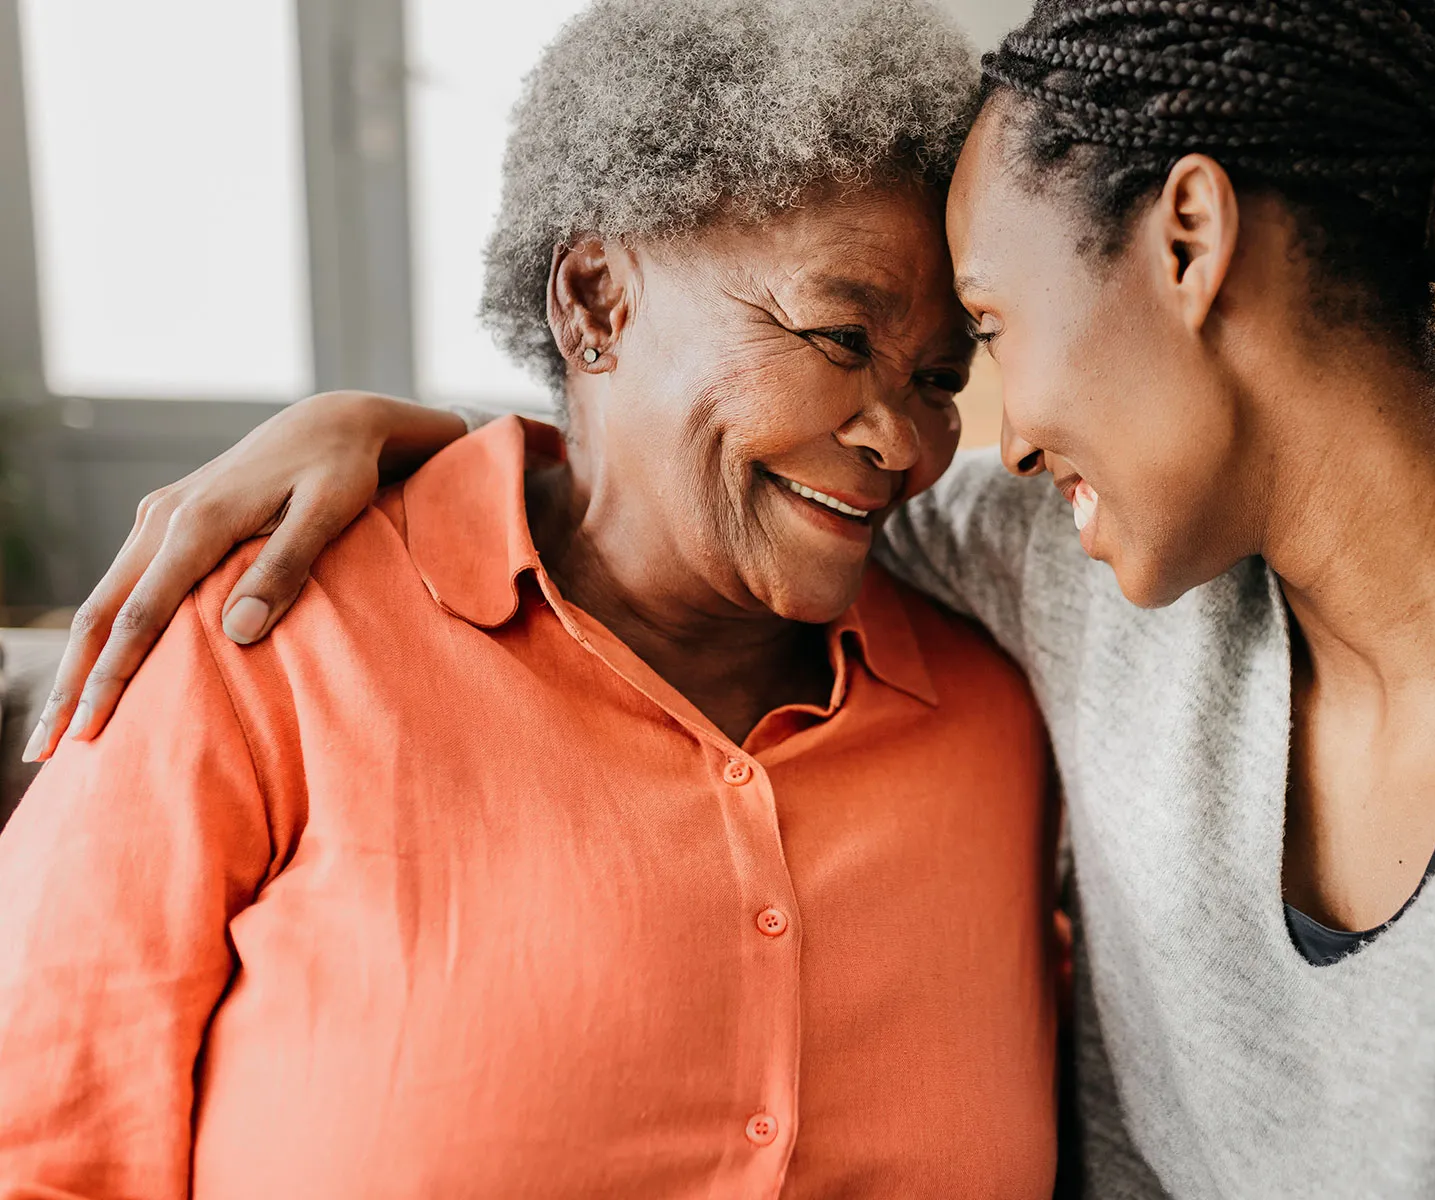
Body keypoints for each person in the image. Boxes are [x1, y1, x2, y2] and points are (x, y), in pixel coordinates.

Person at [26, 0, 1435, 1195]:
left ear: (1186, 244)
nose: (957, 439)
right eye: (846, 338)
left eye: (974, 350)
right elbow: (670, 496)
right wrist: (392, 433)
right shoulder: (1088, 589)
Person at [0, 2, 1064, 1197]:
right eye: (836, 334)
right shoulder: (266, 636)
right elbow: (43, 1142)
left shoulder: (998, 718)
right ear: (596, 301)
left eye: (937, 379)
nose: (903, 440)